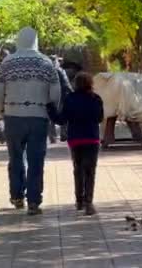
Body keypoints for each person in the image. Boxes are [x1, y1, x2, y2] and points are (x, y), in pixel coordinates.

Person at [0, 27, 61, 216]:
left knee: (15, 157)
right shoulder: (46, 63)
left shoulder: (7, 63)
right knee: (36, 159)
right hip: (38, 117)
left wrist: (0, 110)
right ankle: (34, 201)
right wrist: (51, 111)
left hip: (13, 116)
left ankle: (16, 196)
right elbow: (56, 93)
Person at [47, 72, 103, 216]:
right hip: (91, 139)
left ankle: (79, 201)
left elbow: (61, 120)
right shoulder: (96, 99)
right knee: (90, 172)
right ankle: (89, 203)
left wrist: (50, 108)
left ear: (76, 84)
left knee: (78, 169)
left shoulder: (70, 99)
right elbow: (99, 118)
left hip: (76, 139)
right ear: (90, 83)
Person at [48, 55, 73, 143]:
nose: (59, 62)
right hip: (62, 96)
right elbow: (66, 84)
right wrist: (72, 92)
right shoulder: (60, 70)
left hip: (50, 96)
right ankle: (63, 134)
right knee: (64, 115)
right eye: (58, 60)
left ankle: (53, 137)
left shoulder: (46, 71)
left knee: (51, 116)